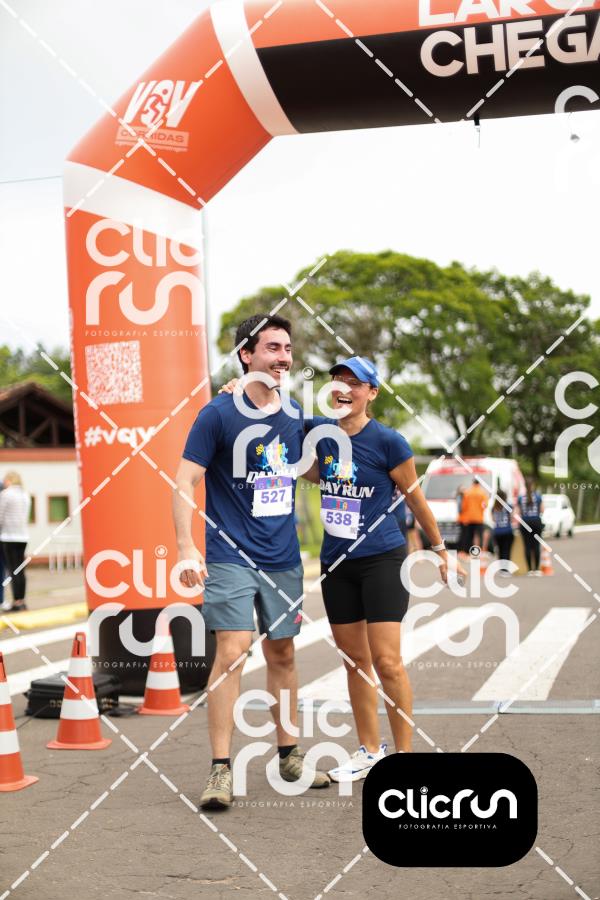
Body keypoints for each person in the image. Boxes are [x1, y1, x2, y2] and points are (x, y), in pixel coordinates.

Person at [173, 314, 329, 810]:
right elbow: (184, 481)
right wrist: (185, 546)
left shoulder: (294, 412)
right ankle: (220, 769)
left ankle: (289, 756)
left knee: (282, 654)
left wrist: (342, 446)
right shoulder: (217, 414)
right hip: (230, 554)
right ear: (246, 354)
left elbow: (309, 471)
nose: (283, 357)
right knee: (234, 650)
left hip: (282, 557)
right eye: (272, 348)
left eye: (288, 348)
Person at [304, 357, 466, 782]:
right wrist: (239, 389)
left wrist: (440, 550)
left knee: (387, 661)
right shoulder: (319, 433)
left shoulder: (389, 442)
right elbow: (272, 418)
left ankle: (404, 756)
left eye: (354, 383)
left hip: (382, 559)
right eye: (338, 381)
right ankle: (369, 751)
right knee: (354, 662)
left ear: (371, 393)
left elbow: (415, 499)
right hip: (336, 563)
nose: (344, 388)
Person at [0, 471, 31, 612]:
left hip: (9, 537)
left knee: (13, 570)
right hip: (23, 537)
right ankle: (21, 601)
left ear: (9, 480)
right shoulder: (25, 495)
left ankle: (16, 602)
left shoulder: (6, 495)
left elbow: (0, 516)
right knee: (20, 569)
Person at [516, 477, 544, 576]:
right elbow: (542, 510)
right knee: (536, 546)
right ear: (533, 486)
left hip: (525, 523)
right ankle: (536, 569)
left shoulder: (521, 498)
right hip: (536, 522)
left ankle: (529, 570)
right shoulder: (538, 497)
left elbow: (518, 512)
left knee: (527, 546)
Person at [460, 478, 489, 552]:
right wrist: (480, 510)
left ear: (473, 483)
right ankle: (480, 551)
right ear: (479, 483)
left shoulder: (468, 492)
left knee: (469, 536)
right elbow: (485, 505)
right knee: (479, 535)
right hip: (479, 518)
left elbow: (463, 507)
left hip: (469, 518)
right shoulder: (482, 493)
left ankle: (468, 551)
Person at [492, 489, 514, 577]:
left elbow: (493, 519)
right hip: (507, 530)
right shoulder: (508, 506)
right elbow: (511, 518)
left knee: (500, 550)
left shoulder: (494, 507)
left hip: (497, 531)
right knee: (506, 550)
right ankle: (506, 569)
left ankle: (501, 569)